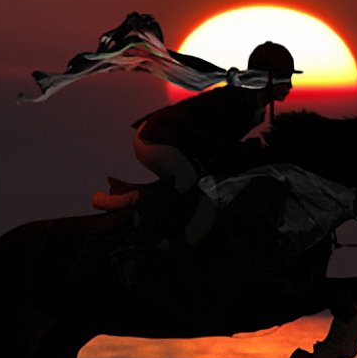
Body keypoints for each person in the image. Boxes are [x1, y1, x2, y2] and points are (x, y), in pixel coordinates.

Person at [94, 34, 296, 249]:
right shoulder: (237, 101)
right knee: (187, 179)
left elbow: (217, 146)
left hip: (179, 139)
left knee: (199, 182)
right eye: (284, 79)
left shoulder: (256, 108)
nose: (290, 86)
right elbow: (218, 145)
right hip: (157, 138)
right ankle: (140, 236)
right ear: (265, 79)